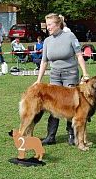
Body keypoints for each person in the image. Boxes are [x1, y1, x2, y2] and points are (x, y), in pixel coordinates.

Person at [35, 13, 90, 146]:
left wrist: (85, 73)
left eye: (50, 24)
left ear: (58, 24)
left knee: (71, 105)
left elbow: (79, 55)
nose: (47, 27)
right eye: (46, 25)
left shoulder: (70, 36)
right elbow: (44, 62)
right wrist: (38, 80)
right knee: (53, 106)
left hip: (70, 74)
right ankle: (51, 135)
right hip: (54, 75)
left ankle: (71, 135)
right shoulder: (47, 41)